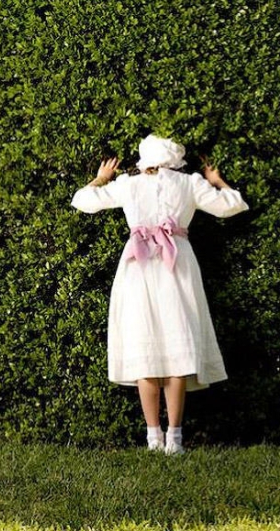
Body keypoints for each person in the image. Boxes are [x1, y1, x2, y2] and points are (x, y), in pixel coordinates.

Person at [72, 134, 248, 453]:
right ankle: (174, 438)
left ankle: (153, 436)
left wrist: (100, 179)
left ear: (145, 159)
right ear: (175, 159)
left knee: (145, 348)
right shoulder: (190, 183)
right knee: (177, 347)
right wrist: (218, 181)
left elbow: (82, 201)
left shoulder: (128, 184)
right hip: (176, 263)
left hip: (138, 266)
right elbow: (231, 206)